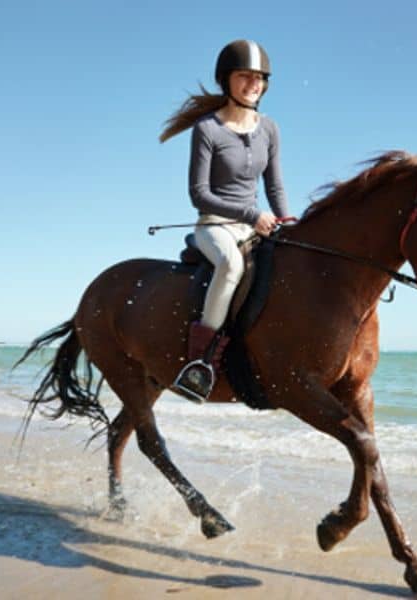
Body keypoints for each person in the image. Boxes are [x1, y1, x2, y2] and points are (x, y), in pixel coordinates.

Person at [159, 39, 290, 403]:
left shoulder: (269, 129)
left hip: (255, 226)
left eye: (260, 77)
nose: (253, 84)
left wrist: (285, 220)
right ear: (226, 81)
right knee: (230, 265)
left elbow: (274, 185)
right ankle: (201, 364)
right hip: (213, 226)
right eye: (244, 76)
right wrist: (252, 214)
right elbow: (199, 194)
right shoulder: (208, 129)